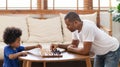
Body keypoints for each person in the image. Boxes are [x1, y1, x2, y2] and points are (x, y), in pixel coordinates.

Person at [50, 12, 120, 67]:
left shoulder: (87, 27)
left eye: (68, 25)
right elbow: (73, 45)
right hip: (100, 53)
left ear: (76, 22)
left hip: (111, 50)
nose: (67, 27)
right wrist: (58, 45)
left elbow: (85, 51)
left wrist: (70, 49)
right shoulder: (75, 30)